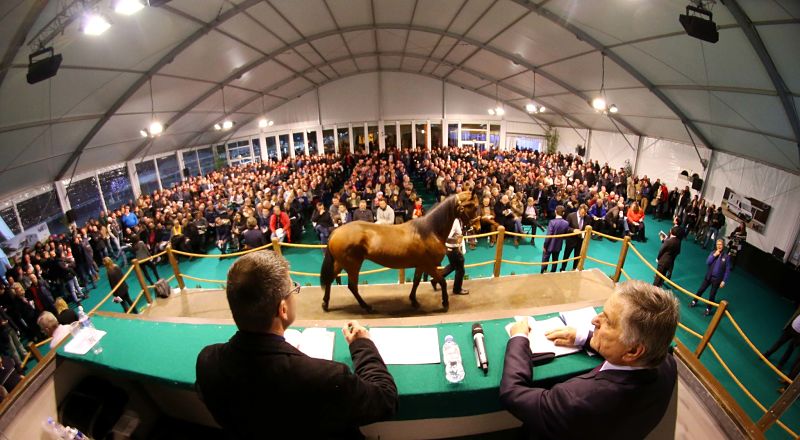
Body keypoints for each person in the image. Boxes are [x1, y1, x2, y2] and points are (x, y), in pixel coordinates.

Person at [196, 252, 398, 438]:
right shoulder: (328, 377)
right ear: (283, 309)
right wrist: (362, 344)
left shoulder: (207, 361)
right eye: (293, 288)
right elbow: (386, 400)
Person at [500, 280, 679, 439]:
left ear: (632, 351)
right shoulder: (668, 365)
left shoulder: (576, 399)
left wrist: (519, 337)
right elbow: (628, 355)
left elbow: (513, 393)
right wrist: (585, 338)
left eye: (608, 321)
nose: (595, 320)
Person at [691, 239, 732, 316]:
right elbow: (708, 262)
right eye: (717, 244)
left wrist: (724, 281)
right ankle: (694, 301)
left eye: (720, 244)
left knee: (712, 295)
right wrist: (714, 255)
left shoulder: (726, 257)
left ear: (723, 245)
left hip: (717, 279)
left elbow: (727, 270)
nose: (719, 246)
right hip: (708, 277)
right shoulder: (713, 253)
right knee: (701, 290)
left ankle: (708, 309)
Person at [762, 307, 800, 374]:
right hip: (792, 327)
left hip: (799, 335)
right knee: (780, 342)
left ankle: (780, 364)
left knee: (790, 349)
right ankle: (767, 354)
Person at [437, 218, 469, 295]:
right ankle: (457, 289)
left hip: (449, 248)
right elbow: (447, 236)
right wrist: (458, 242)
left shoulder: (447, 218)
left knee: (453, 266)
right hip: (453, 249)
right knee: (460, 270)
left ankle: (436, 279)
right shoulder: (454, 221)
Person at [541, 206, 570, 274]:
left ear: (555, 211)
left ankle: (543, 272)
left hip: (549, 245)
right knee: (555, 260)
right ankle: (553, 273)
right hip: (558, 245)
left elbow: (549, 235)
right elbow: (565, 235)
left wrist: (545, 245)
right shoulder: (566, 223)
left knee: (545, 259)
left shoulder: (552, 222)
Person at [561, 204, 589, 272]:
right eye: (582, 213)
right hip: (571, 240)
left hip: (580, 240)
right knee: (566, 255)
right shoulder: (571, 215)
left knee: (577, 256)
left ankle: (574, 269)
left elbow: (588, 227)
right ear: (579, 210)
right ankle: (563, 269)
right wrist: (573, 230)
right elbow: (566, 227)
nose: (583, 215)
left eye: (585, 213)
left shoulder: (587, 217)